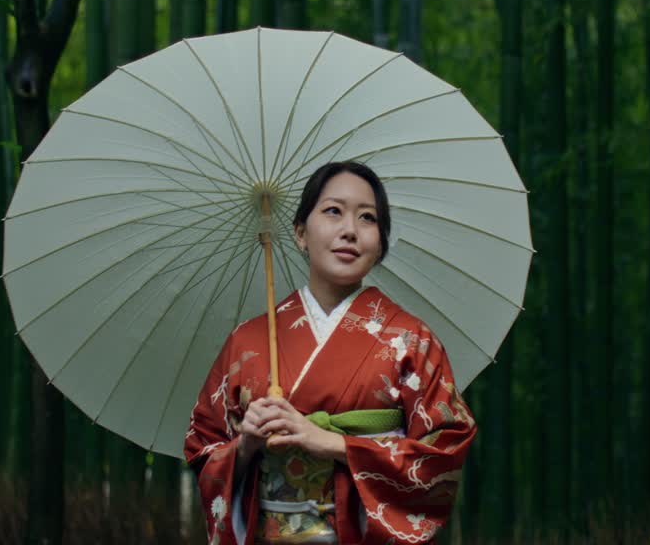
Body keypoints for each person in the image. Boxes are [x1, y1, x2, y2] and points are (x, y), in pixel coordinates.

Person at [184, 161, 476, 545]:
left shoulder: (411, 341)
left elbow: (443, 452)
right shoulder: (246, 342)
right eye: (333, 211)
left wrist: (335, 444)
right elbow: (203, 449)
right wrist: (247, 444)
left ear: (381, 242)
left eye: (367, 218)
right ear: (300, 233)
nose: (350, 230)